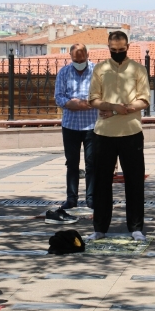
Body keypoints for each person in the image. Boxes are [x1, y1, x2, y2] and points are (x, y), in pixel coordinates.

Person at [87, 31, 150, 241]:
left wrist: (118, 110)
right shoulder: (100, 69)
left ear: (128, 47)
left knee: (134, 181)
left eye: (121, 50)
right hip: (103, 133)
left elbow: (144, 100)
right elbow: (93, 100)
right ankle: (100, 228)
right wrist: (112, 106)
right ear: (108, 47)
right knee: (102, 182)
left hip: (131, 131)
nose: (117, 53)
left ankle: (136, 227)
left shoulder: (138, 69)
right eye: (113, 50)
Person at [45, 44, 99, 225]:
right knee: (72, 163)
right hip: (70, 125)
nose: (79, 62)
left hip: (92, 125)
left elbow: (103, 94)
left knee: (92, 163)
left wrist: (87, 104)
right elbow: (59, 97)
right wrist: (71, 103)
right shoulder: (64, 72)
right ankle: (71, 198)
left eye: (81, 59)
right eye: (75, 59)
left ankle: (91, 198)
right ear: (70, 57)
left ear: (87, 55)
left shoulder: (97, 71)